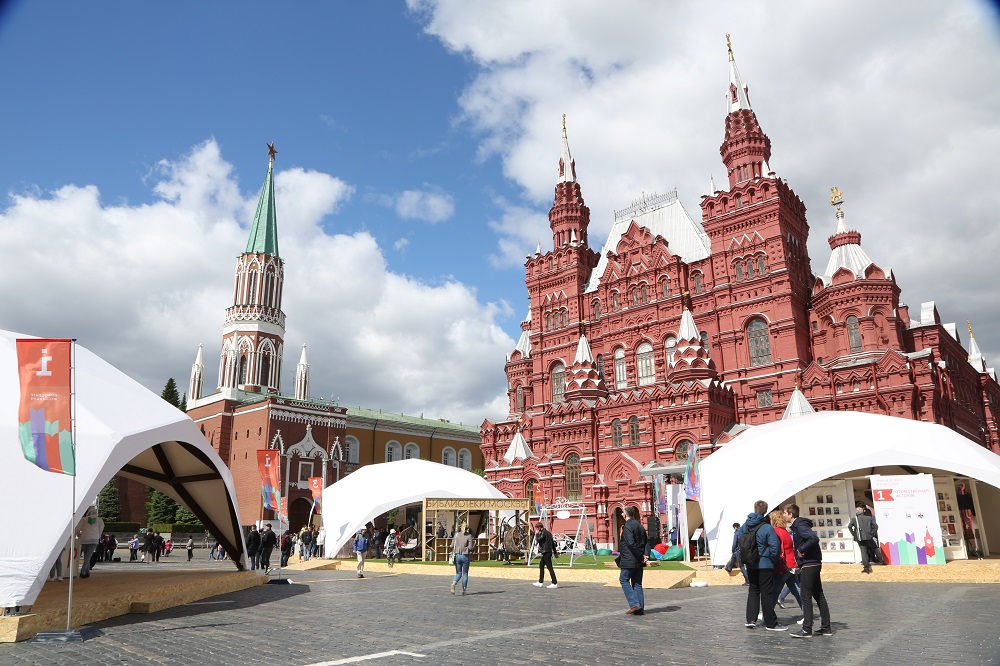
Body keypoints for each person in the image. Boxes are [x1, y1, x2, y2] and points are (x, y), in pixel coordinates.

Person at [733, 500, 784, 631]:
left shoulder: (745, 525)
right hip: (765, 564)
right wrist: (772, 559)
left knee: (753, 591)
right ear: (765, 511)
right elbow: (775, 546)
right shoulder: (766, 527)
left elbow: (739, 539)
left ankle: (751, 619)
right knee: (766, 593)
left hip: (750, 564)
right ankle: (770, 623)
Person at [785, 503, 832, 638]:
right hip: (813, 563)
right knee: (818, 594)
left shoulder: (800, 525)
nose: (783, 515)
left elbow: (813, 538)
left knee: (806, 595)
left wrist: (801, 549)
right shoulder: (798, 526)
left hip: (809, 564)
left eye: (785, 513)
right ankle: (826, 627)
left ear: (790, 514)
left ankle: (807, 629)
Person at [769, 509, 802, 616]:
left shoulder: (776, 532)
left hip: (783, 566)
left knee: (774, 591)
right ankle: (807, 612)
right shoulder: (785, 531)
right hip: (790, 564)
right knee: (797, 590)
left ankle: (767, 613)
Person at [617, 505, 648, 615]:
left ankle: (635, 604)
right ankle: (640, 608)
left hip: (630, 559)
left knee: (623, 579)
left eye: (622, 514)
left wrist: (640, 556)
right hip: (639, 560)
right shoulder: (640, 526)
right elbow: (646, 542)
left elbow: (630, 544)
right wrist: (645, 555)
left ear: (625, 515)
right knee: (637, 584)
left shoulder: (627, 526)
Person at [848, 501, 878, 574]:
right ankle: (877, 560)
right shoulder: (867, 514)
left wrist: (854, 534)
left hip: (861, 536)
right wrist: (872, 532)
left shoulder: (859, 516)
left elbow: (850, 526)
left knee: (865, 550)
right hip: (868, 535)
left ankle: (867, 565)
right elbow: (874, 525)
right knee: (873, 547)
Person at [76, 507, 104, 579]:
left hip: (85, 539)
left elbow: (78, 528)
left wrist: (75, 535)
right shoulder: (99, 520)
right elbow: (101, 529)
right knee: (88, 556)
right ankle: (83, 571)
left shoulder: (84, 519)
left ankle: (86, 571)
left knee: (86, 556)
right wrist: (98, 536)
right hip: (94, 540)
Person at [531, 521, 558, 589]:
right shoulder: (548, 533)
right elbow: (552, 543)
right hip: (547, 552)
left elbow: (538, 539)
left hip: (546, 552)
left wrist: (536, 534)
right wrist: (555, 552)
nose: (536, 530)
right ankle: (540, 582)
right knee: (541, 565)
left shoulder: (544, 533)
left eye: (537, 528)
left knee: (550, 567)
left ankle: (554, 582)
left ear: (540, 528)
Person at [450, 523, 474, 595]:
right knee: (465, 573)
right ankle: (464, 589)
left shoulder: (456, 535)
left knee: (458, 572)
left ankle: (454, 583)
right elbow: (470, 548)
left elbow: (451, 546)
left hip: (457, 555)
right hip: (465, 555)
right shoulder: (469, 536)